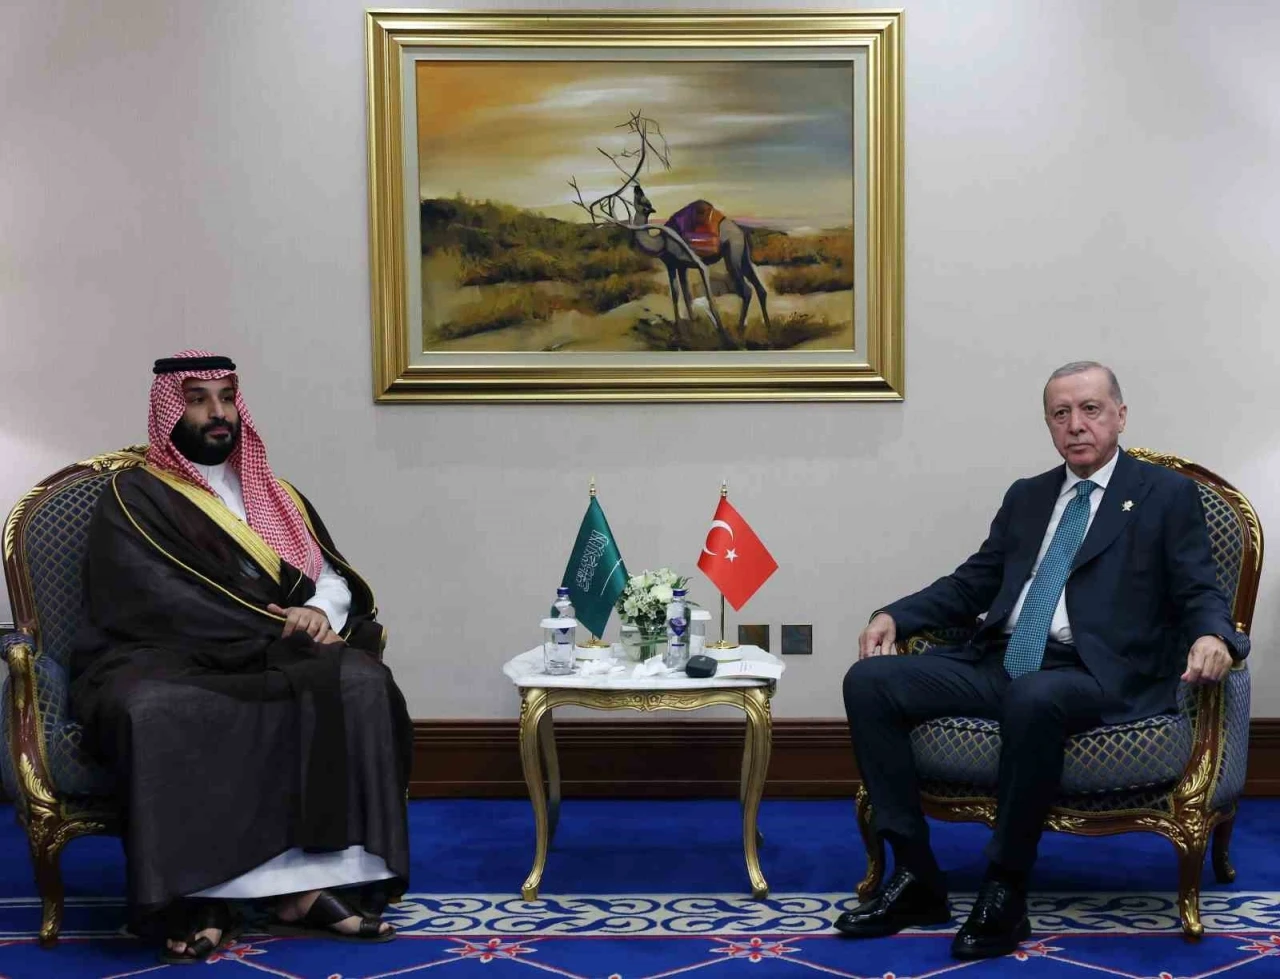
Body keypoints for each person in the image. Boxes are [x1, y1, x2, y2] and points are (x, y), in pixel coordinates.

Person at [836, 361, 1248, 960]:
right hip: (1003, 659)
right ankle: (916, 875)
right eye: (1061, 414)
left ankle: (1005, 887)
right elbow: (972, 583)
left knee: (1033, 695)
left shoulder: (1165, 495)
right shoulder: (1028, 496)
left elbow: (1198, 589)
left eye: (1090, 409)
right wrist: (893, 615)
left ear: (1120, 416)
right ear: (1049, 424)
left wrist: (1216, 637)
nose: (1075, 425)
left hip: (1097, 672)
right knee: (870, 681)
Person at [70, 350, 413, 962]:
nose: (217, 413)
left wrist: (318, 614)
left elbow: (328, 579)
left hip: (274, 648)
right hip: (166, 652)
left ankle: (310, 887)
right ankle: (201, 895)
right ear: (170, 410)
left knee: (361, 683)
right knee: (156, 709)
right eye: (198, 399)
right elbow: (151, 598)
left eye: (227, 397)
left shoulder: (275, 493)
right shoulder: (134, 495)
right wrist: (272, 624)